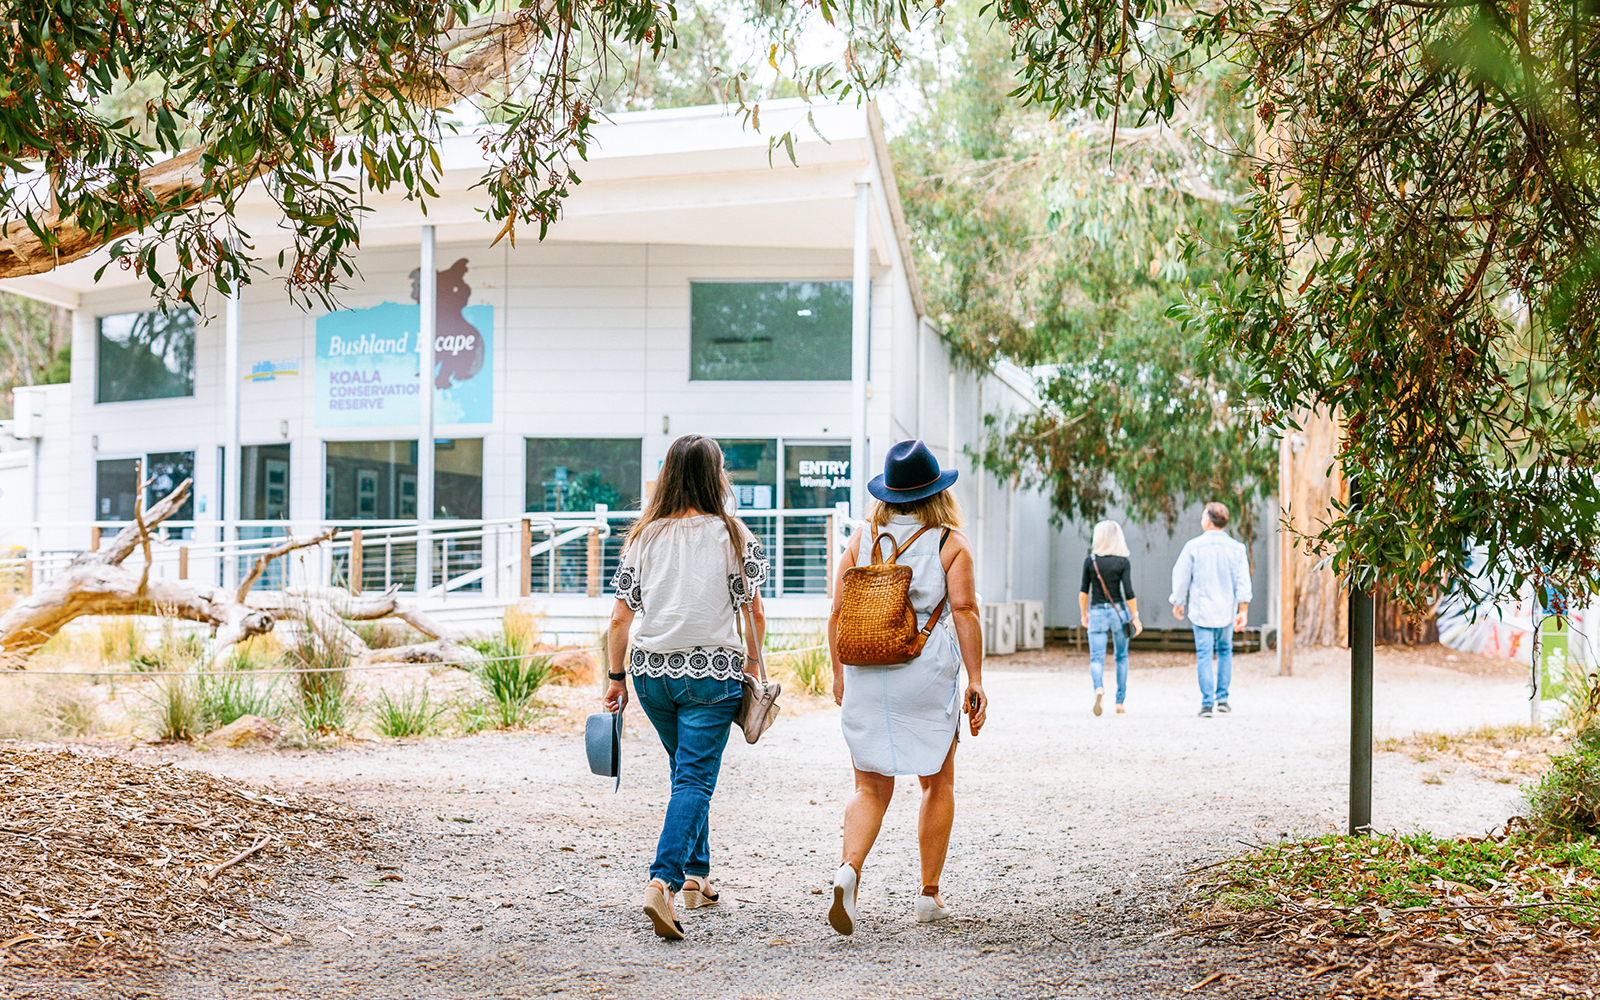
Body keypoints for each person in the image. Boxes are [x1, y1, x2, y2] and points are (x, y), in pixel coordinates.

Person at [604, 434, 770, 941]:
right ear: (714, 475)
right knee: (695, 780)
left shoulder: (644, 537)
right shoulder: (733, 535)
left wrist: (615, 679)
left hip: (651, 675)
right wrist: (758, 670)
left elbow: (618, 620)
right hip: (711, 676)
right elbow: (753, 611)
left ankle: (698, 877)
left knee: (686, 774)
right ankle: (664, 882)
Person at [827, 439, 986, 936]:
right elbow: (964, 612)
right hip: (925, 674)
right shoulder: (949, 543)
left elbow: (836, 613)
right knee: (937, 782)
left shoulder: (863, 537)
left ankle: (849, 870)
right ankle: (929, 895)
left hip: (865, 672)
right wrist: (977, 680)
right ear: (937, 492)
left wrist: (837, 672)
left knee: (870, 786)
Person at [1169, 501, 1252, 718]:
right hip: (1227, 611)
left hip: (1201, 610)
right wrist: (1243, 610)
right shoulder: (1237, 548)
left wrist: (1178, 601)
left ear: (1208, 519)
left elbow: (1181, 577)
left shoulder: (1193, 547)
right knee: (1225, 652)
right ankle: (1222, 699)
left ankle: (1207, 704)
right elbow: (1243, 581)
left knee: (1204, 655)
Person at [1079, 519, 1141, 716]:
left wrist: (1084, 614)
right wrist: (1135, 617)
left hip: (1096, 612)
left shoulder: (1091, 561)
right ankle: (1120, 702)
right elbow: (1129, 592)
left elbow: (1083, 593)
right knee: (1121, 657)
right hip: (1119, 613)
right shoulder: (1123, 562)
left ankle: (1099, 688)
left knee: (1096, 658)